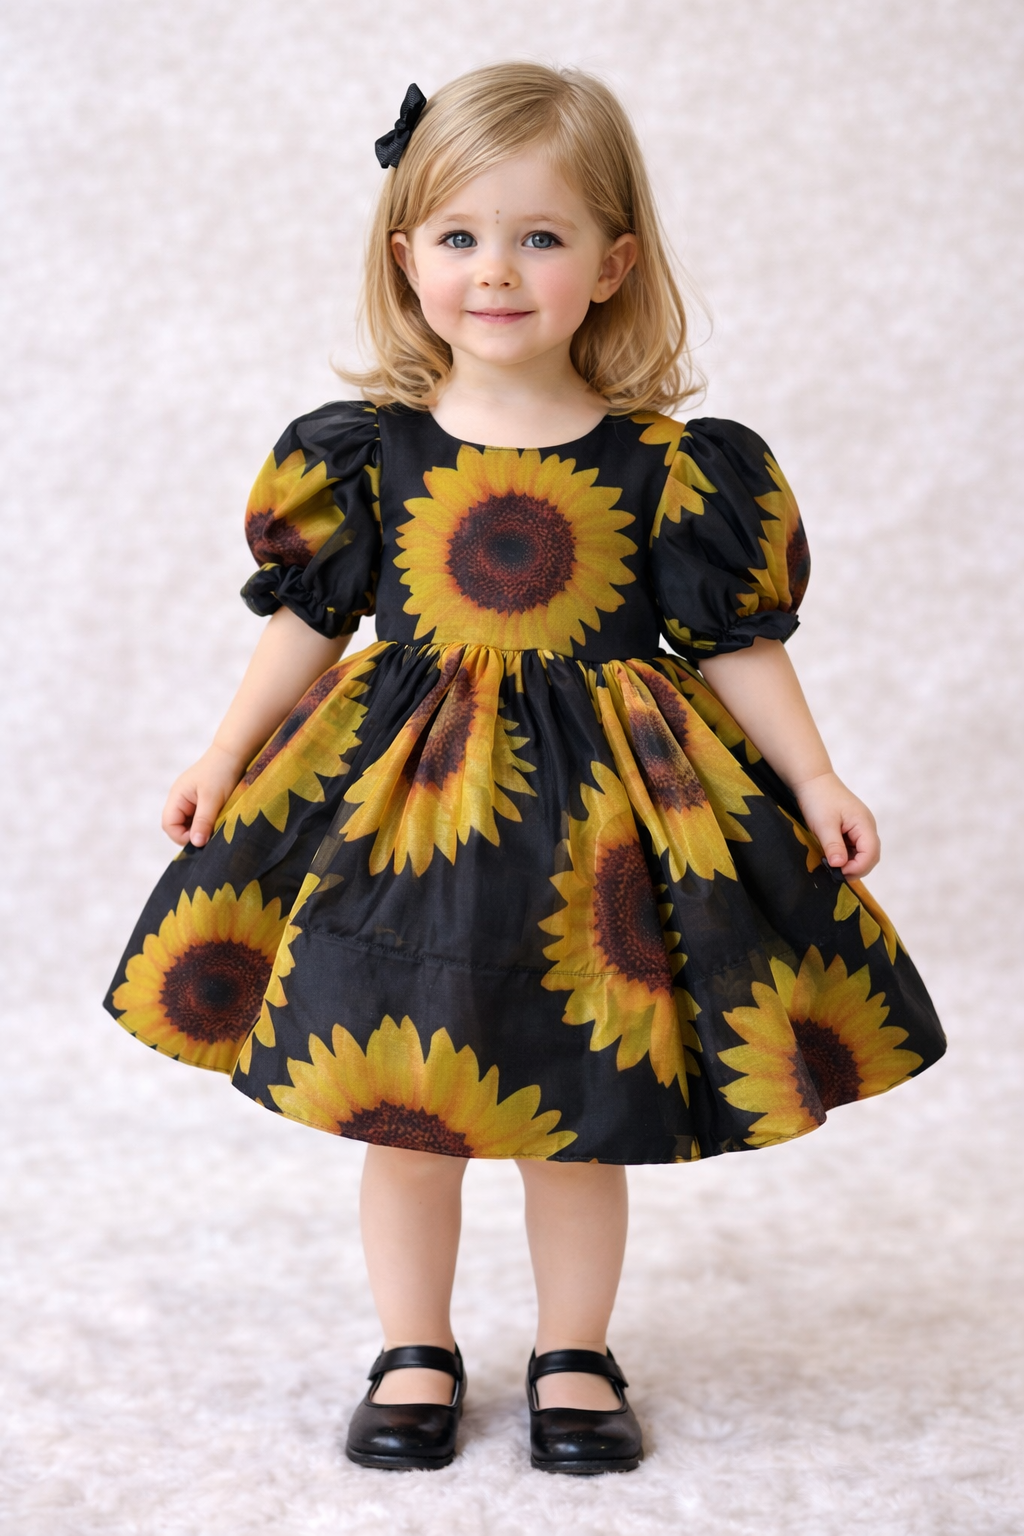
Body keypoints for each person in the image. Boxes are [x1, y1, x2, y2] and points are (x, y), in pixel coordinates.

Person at [105, 63, 945, 1476]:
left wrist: (815, 777)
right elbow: (311, 622)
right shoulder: (368, 457)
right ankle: (413, 1347)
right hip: (404, 831)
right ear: (406, 255)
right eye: (462, 236)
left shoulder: (671, 468)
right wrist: (224, 753)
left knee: (579, 1105)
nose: (495, 270)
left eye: (540, 237)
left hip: (600, 834)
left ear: (613, 265)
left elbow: (736, 638)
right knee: (404, 1101)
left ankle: (575, 1352)